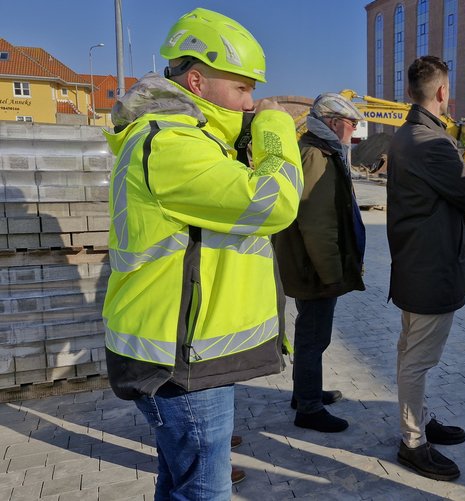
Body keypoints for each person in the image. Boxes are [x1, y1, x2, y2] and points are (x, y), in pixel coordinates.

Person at [102, 8, 301, 500]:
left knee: (178, 483)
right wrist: (274, 128)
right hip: (180, 362)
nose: (251, 101)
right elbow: (274, 202)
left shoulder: (194, 142)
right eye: (242, 88)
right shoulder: (172, 144)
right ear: (197, 81)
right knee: (204, 491)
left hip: (187, 352)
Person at [386, 55, 465, 482]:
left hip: (414, 265)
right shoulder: (432, 142)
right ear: (443, 91)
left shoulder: (406, 135)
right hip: (429, 270)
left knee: (409, 351)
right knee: (417, 360)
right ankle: (413, 443)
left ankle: (420, 420)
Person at [273, 93, 366, 433]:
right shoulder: (316, 156)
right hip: (313, 267)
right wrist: (331, 273)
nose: (354, 129)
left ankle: (305, 392)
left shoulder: (321, 150)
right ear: (332, 122)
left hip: (308, 263)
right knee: (314, 336)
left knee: (311, 333)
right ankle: (309, 408)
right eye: (351, 123)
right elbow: (317, 222)